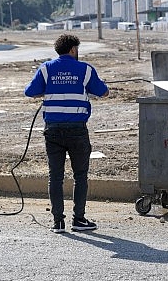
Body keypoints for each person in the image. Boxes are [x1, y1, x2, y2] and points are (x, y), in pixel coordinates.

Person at [24, 34, 109, 233]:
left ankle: (58, 222)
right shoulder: (85, 69)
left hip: (53, 130)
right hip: (77, 131)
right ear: (72, 49)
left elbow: (29, 91)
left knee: (55, 177)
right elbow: (103, 92)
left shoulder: (46, 68)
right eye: (77, 49)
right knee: (80, 176)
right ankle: (78, 220)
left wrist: (44, 92)